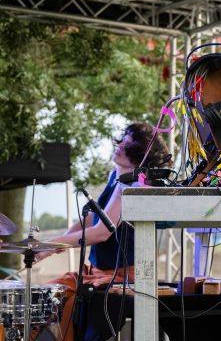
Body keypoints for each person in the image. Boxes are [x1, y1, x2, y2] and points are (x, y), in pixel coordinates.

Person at [36, 123, 170, 341]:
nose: (120, 145)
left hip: (121, 276)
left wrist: (52, 246)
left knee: (69, 309)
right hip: (97, 271)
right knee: (46, 295)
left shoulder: (133, 185)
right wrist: (54, 243)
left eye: (129, 144)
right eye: (123, 139)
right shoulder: (115, 175)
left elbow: (101, 232)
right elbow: (93, 218)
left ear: (141, 157)